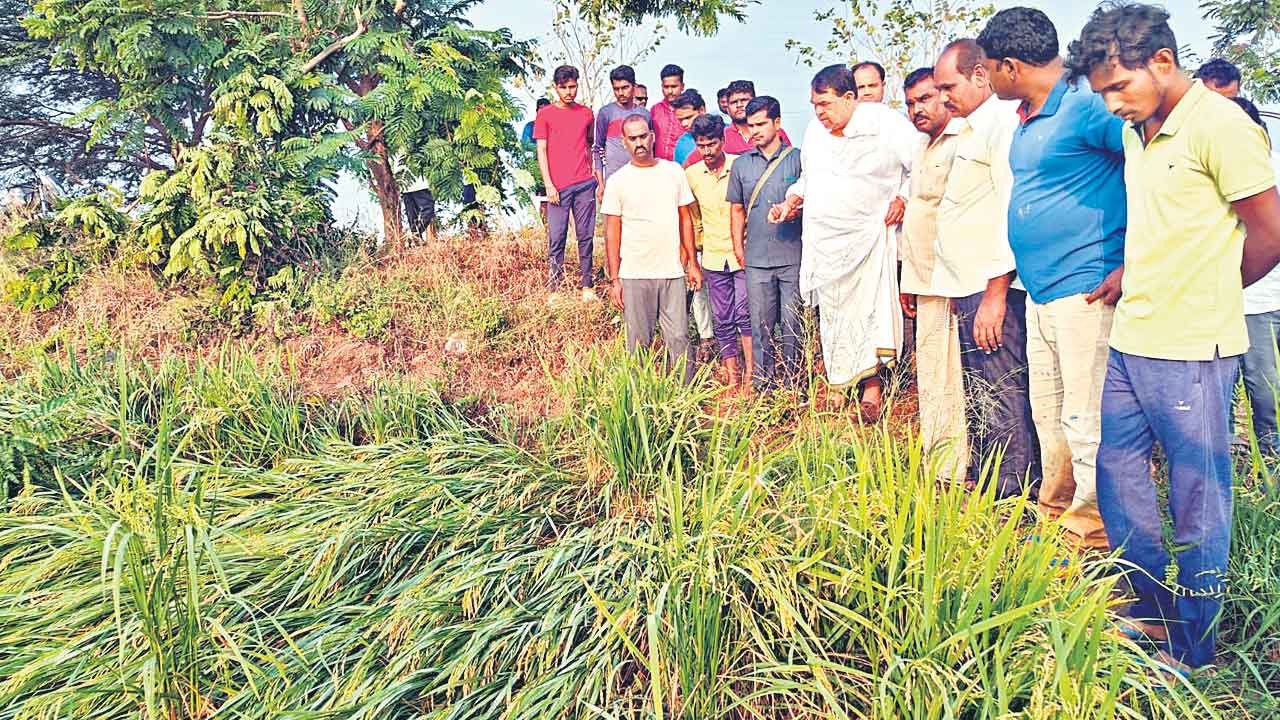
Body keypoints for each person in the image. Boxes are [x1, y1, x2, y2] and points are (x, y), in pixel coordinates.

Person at [1069, 1, 1280, 672]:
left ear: (1162, 61)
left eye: (1118, 87)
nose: (1112, 104)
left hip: (1192, 347)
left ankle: (1198, 645)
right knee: (1119, 476)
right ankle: (1152, 607)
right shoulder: (1139, 127)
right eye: (1102, 93)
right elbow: (1171, 221)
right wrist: (1133, 273)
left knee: (1198, 495)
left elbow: (1269, 233)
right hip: (1134, 337)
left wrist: (1213, 290)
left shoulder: (1219, 126)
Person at [978, 7, 1127, 550]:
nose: (986, 77)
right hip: (1042, 292)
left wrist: (1127, 259)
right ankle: (1057, 514)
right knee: (1052, 416)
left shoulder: (1088, 106)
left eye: (988, 67)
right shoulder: (1029, 115)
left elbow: (1150, 165)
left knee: (1087, 419)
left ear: (1011, 66)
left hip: (1086, 286)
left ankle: (1092, 533)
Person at [770, 65, 916, 419]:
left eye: (825, 103)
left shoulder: (887, 125)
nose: (818, 112)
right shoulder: (816, 133)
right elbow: (811, 178)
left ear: (850, 98)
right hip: (826, 245)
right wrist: (791, 201)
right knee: (833, 317)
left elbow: (921, 165)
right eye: (813, 104)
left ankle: (872, 390)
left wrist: (904, 197)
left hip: (868, 240)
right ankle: (839, 383)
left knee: (869, 314)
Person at [932, 38, 1040, 498]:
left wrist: (996, 295)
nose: (942, 98)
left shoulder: (1000, 125)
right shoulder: (969, 129)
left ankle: (1013, 495)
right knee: (980, 392)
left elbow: (1007, 212)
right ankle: (992, 482)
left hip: (991, 289)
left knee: (1002, 391)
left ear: (980, 75)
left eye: (947, 86)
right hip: (967, 286)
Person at [899, 66, 968, 481]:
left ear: (945, 95)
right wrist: (909, 278)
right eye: (910, 103)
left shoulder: (965, 140)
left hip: (956, 281)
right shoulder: (923, 145)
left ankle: (956, 468)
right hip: (924, 279)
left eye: (925, 99)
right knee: (932, 375)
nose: (917, 109)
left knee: (958, 376)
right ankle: (941, 462)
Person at [602, 114, 703, 376]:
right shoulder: (617, 181)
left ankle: (683, 399)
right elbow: (612, 232)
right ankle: (641, 401)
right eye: (632, 138)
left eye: (643, 136)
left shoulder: (673, 172)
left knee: (679, 338)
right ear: (624, 142)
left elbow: (685, 219)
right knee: (638, 343)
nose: (639, 143)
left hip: (671, 270)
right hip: (634, 273)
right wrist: (615, 280)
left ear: (652, 136)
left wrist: (692, 263)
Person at [729, 96, 805, 391]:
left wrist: (795, 209)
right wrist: (738, 248)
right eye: (751, 126)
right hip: (756, 259)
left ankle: (794, 386)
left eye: (761, 123)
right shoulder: (741, 166)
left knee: (792, 325)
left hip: (793, 256)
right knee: (760, 326)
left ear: (777, 123)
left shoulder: (798, 159)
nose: (755, 130)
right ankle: (763, 385)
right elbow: (736, 209)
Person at [685, 114, 751, 387]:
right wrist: (693, 260)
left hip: (743, 255)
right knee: (722, 317)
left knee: (745, 313)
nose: (707, 151)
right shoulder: (691, 175)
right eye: (701, 145)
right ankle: (732, 372)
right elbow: (691, 218)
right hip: (712, 256)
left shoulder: (740, 167)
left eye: (712, 144)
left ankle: (751, 373)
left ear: (722, 141)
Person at [1233, 96, 1280, 455]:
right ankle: (1233, 474)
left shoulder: (1271, 170)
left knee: (1266, 397)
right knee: (1218, 402)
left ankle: (1270, 477)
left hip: (1263, 302)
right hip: (1222, 301)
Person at [534, 66, 601, 299]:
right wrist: (549, 185)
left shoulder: (586, 113)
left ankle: (587, 285)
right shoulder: (545, 114)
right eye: (563, 87)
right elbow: (541, 151)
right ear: (556, 88)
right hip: (558, 187)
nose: (568, 92)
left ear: (577, 85)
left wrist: (592, 171)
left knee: (585, 235)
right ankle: (554, 288)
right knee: (557, 236)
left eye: (572, 86)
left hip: (584, 183)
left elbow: (590, 142)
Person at [594, 65, 652, 193]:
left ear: (634, 86)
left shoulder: (645, 114)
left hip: (642, 179)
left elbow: (651, 148)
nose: (620, 93)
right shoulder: (606, 113)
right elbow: (598, 148)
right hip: (614, 181)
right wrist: (601, 184)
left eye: (625, 88)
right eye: (616, 89)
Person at [722, 80, 792, 155]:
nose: (739, 105)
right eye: (734, 102)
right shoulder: (722, 137)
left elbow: (790, 160)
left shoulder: (775, 132)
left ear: (754, 101)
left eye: (744, 100)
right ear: (727, 107)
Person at [650, 64, 686, 161]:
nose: (670, 91)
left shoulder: (688, 112)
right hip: (658, 167)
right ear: (662, 86)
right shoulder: (655, 110)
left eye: (674, 86)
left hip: (683, 167)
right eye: (666, 87)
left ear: (682, 86)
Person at [671, 89, 707, 167]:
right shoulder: (681, 143)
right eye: (680, 120)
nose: (684, 124)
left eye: (688, 117)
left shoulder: (725, 132)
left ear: (702, 110)